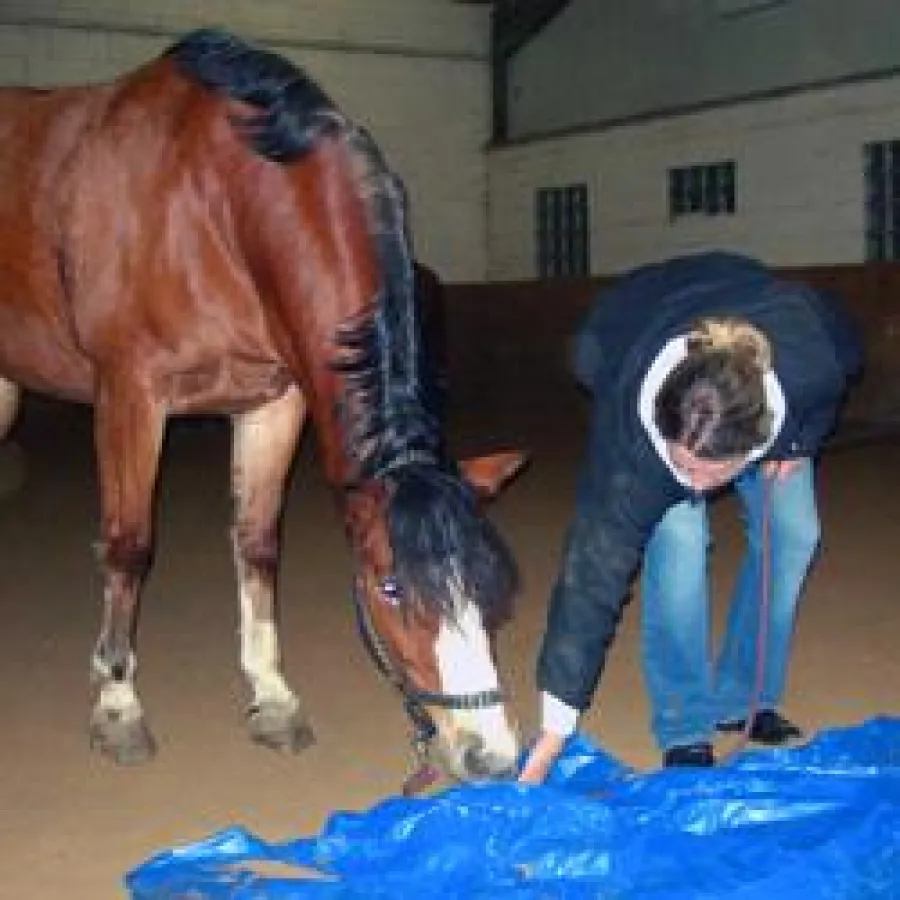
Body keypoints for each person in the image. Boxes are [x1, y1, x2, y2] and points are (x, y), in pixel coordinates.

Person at [519, 251, 863, 781]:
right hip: (627, 326)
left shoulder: (808, 358)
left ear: (755, 440)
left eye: (713, 473)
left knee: (795, 533)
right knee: (680, 542)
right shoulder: (634, 448)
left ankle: (746, 700)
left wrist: (800, 440)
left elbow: (842, 365)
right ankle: (685, 724)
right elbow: (590, 583)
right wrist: (552, 735)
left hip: (752, 310)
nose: (697, 484)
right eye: (686, 466)